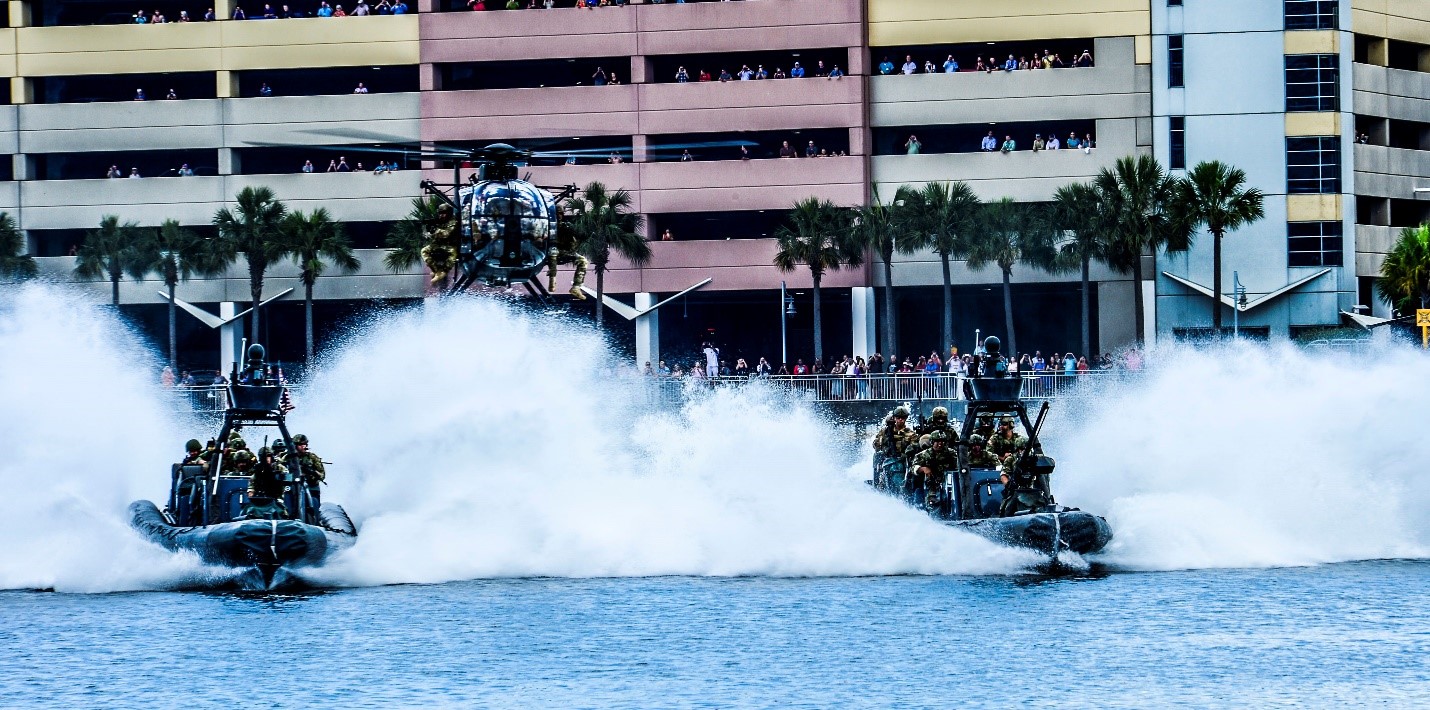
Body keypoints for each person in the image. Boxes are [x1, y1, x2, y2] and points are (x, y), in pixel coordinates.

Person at [872, 407, 918, 491]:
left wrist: (906, 454)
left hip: (902, 462)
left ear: (906, 418)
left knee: (899, 483)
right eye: (898, 418)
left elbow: (913, 448)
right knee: (877, 455)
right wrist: (884, 440)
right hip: (886, 460)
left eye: (903, 418)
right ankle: (876, 483)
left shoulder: (911, 434)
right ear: (894, 418)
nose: (900, 420)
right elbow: (876, 445)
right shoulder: (885, 431)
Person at [911, 430, 959, 508]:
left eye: (942, 441)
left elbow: (958, 467)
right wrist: (922, 468)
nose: (940, 444)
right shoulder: (923, 455)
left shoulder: (952, 453)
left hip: (949, 483)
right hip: (931, 485)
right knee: (933, 504)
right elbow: (912, 468)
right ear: (932, 442)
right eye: (937, 441)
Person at [244, 447, 289, 519]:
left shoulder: (279, 468)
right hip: (261, 499)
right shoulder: (258, 469)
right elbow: (252, 485)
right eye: (264, 457)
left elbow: (286, 479)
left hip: (277, 498)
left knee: (281, 512)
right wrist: (251, 492)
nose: (267, 459)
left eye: (268, 456)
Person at [287, 434, 326, 508]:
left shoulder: (312, 458)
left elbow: (322, 475)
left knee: (313, 505)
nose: (303, 446)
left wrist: (313, 472)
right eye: (300, 445)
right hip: (293, 487)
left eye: (304, 444)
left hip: (311, 487)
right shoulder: (288, 457)